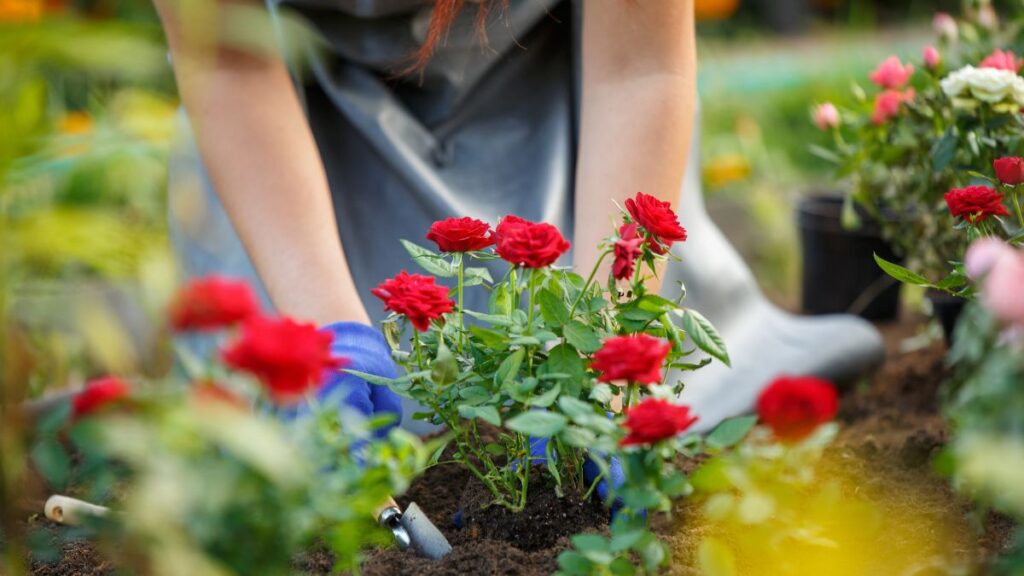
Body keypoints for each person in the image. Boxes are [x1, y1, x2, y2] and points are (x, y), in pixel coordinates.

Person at [156, 0, 882, 531]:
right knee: (281, 455)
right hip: (292, 148)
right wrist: (324, 337)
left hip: (579, 118)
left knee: (630, 415)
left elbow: (640, 69)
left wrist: (601, 355)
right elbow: (225, 61)